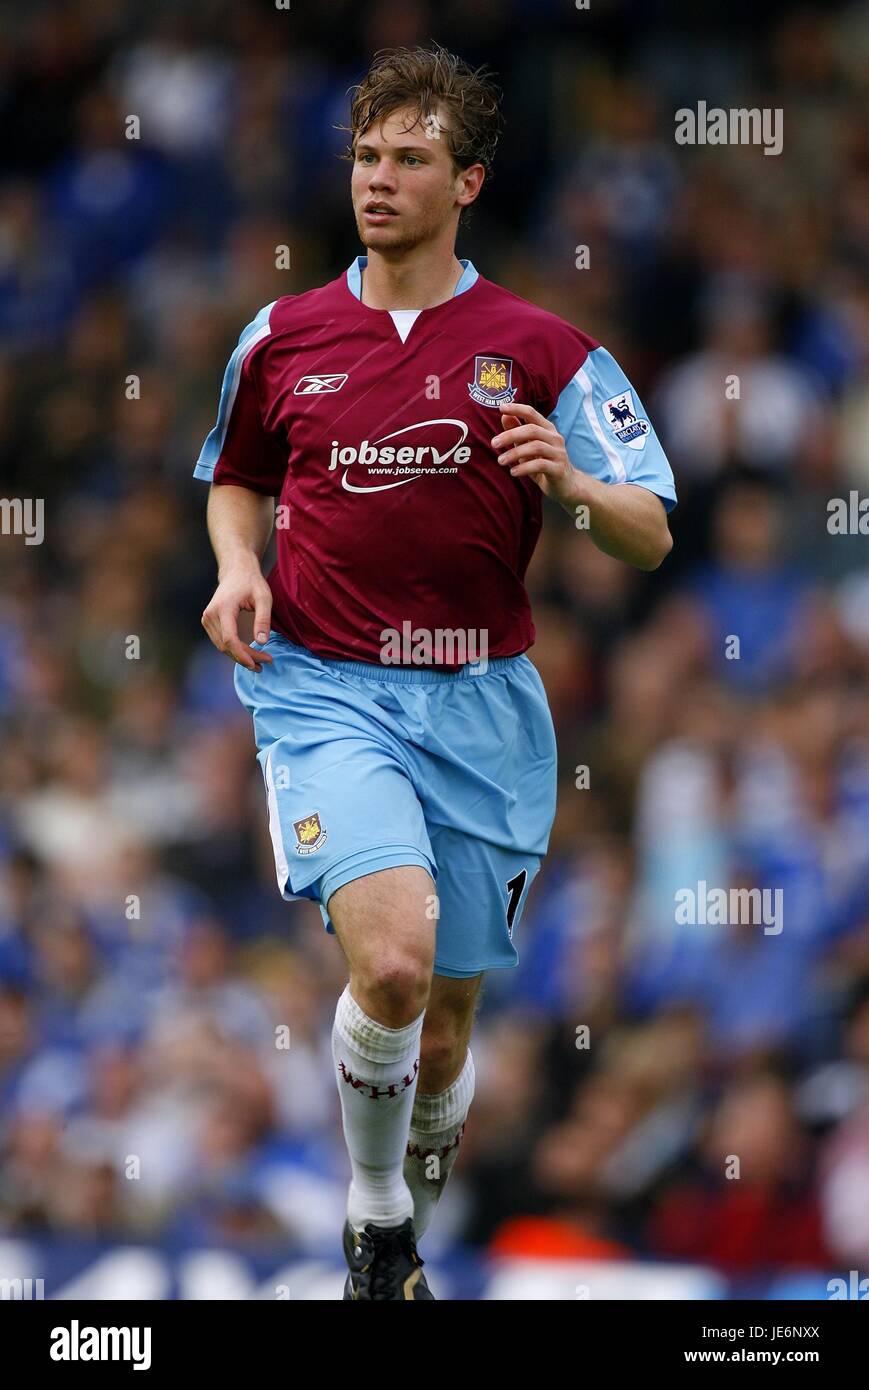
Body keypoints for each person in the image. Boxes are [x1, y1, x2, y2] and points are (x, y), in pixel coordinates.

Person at [195, 44, 676, 1300]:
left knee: (445, 1026)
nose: (379, 179)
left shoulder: (540, 345)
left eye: (410, 159)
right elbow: (235, 476)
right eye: (365, 156)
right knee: (393, 966)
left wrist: (570, 486)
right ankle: (373, 1224)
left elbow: (650, 527)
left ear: (464, 181)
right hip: (322, 684)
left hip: (480, 705)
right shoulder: (282, 334)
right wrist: (239, 568)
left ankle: (409, 1181)